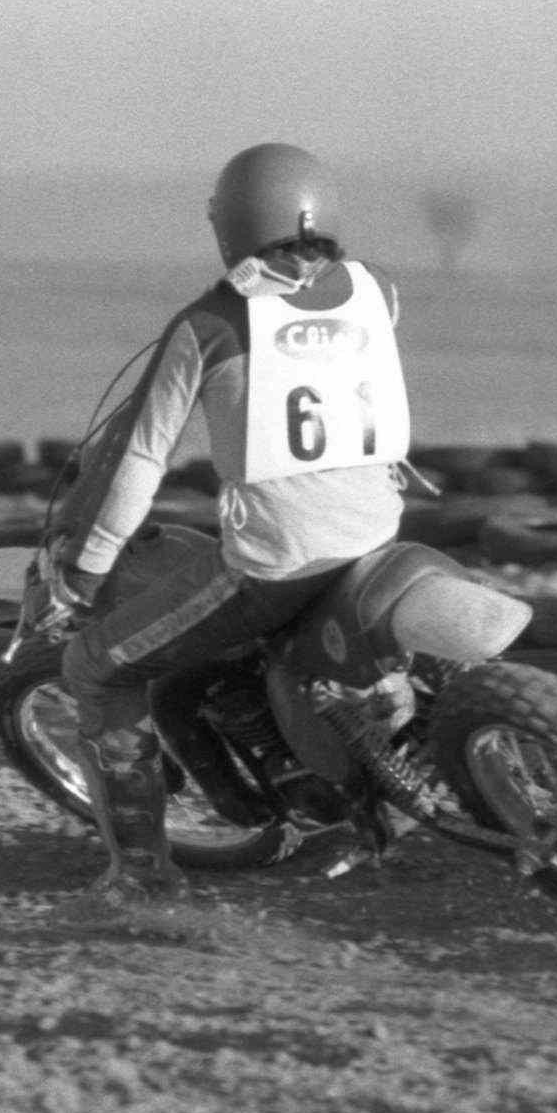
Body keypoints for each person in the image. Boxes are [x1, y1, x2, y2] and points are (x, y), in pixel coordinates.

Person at [44, 142, 413, 904]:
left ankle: (140, 879)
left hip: (282, 561)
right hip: (378, 533)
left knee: (96, 668)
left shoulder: (208, 326)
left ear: (230, 223)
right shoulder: (377, 291)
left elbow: (139, 458)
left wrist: (85, 569)